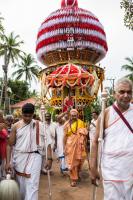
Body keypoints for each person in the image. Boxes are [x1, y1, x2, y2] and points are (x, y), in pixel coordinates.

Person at [90, 78, 133, 200]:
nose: (126, 95)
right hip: (111, 168)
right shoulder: (105, 114)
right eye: (122, 91)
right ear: (114, 94)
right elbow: (95, 142)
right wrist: (93, 168)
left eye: (129, 92)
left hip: (130, 168)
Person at [6, 103, 52, 200]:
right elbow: (9, 145)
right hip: (19, 159)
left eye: (29, 116)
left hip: (35, 157)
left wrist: (50, 159)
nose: (27, 118)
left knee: (32, 186)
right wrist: (8, 162)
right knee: (21, 188)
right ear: (21, 114)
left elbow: (48, 143)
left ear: (33, 114)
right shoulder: (16, 126)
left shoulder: (40, 125)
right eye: (25, 116)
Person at [64, 109, 88, 187]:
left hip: (80, 145)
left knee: (80, 160)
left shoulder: (81, 123)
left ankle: (77, 174)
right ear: (70, 115)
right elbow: (64, 136)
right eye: (72, 115)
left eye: (75, 115)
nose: (73, 117)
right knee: (72, 162)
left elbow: (84, 134)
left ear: (77, 115)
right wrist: (64, 147)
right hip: (70, 144)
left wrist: (84, 143)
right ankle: (73, 179)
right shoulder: (67, 124)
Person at [0, 110, 8, 179]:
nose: (2, 117)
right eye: (1, 116)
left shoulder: (4, 124)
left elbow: (6, 135)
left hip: (3, 146)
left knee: (3, 162)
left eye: (2, 116)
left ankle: (3, 175)